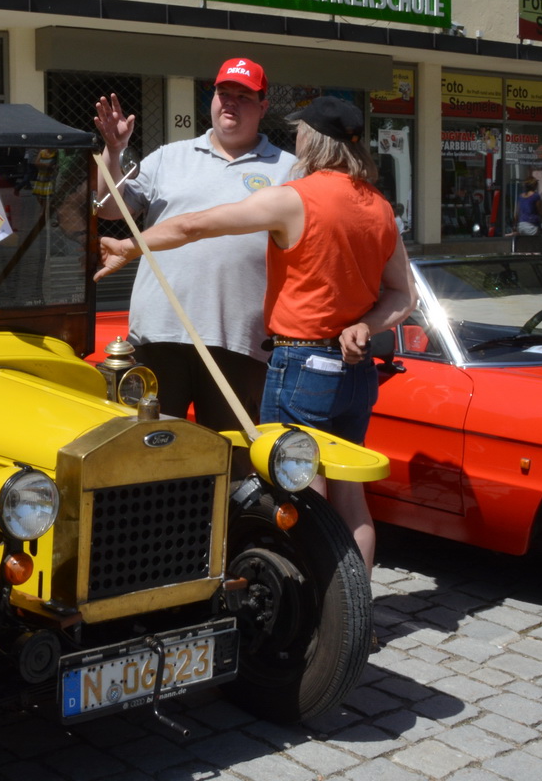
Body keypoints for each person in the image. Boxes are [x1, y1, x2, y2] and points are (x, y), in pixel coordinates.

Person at [94, 96, 416, 572]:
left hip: (303, 366)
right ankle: (355, 611)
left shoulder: (297, 196)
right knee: (351, 497)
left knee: (300, 492)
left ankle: (319, 615)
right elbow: (403, 296)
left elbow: (194, 224)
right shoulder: (380, 208)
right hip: (354, 372)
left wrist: (129, 246)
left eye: (301, 131)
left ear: (313, 139)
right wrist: (365, 326)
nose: (296, 139)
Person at [93, 58, 294, 425]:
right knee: (150, 447)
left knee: (233, 454)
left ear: (263, 107)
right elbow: (109, 210)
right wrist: (114, 151)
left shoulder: (290, 169)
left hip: (239, 338)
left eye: (243, 96)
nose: (229, 102)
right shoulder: (170, 157)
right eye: (223, 93)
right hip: (159, 331)